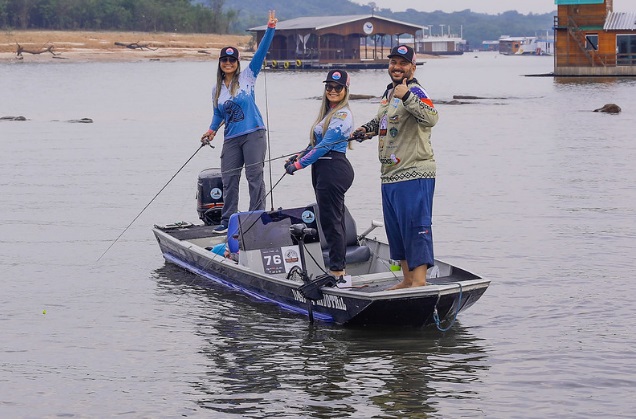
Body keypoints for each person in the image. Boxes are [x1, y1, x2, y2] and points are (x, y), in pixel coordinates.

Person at [351, 45, 439, 289]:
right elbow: (382, 120)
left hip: (415, 172)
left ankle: (419, 282)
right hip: (390, 175)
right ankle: (408, 279)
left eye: (402, 63)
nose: (397, 67)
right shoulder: (389, 92)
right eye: (393, 63)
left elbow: (432, 117)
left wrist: (407, 96)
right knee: (397, 229)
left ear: (412, 66)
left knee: (415, 226)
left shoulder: (416, 90)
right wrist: (365, 130)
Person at [201, 10, 278, 234]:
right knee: (229, 179)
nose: (228, 63)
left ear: (237, 62)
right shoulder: (216, 89)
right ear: (220, 63)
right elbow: (218, 114)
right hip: (231, 138)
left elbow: (261, 52)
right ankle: (227, 221)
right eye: (224, 60)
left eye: (232, 60)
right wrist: (211, 130)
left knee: (254, 178)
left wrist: (270, 29)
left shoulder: (248, 77)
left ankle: (256, 218)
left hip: (254, 133)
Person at [285, 70, 355, 279]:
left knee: (331, 221)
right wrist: (296, 156)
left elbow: (325, 146)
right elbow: (313, 144)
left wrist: (299, 165)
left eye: (337, 87)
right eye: (329, 87)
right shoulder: (327, 113)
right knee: (331, 219)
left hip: (333, 168)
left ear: (345, 90)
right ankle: (338, 266)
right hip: (322, 169)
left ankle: (337, 271)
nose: (332, 91)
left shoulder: (343, 114)